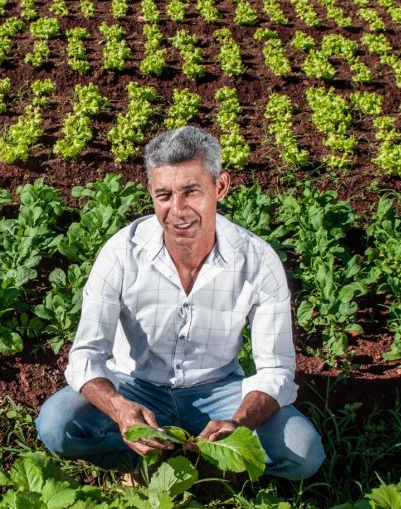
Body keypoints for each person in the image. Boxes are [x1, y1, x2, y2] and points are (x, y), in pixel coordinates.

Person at [35, 126, 325, 480]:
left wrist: (239, 421)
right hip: (136, 386)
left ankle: (212, 464)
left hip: (219, 390)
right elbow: (85, 356)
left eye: (191, 191)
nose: (177, 210)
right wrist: (119, 408)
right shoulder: (122, 253)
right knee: (56, 425)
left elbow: (275, 368)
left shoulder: (256, 261)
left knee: (303, 453)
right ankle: (146, 463)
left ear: (220, 187)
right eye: (164, 195)